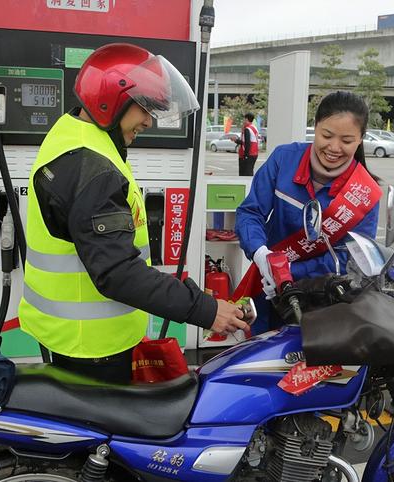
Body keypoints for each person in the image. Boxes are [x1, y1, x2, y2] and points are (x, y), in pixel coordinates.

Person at [18, 43, 246, 384]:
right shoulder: (93, 168)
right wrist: (205, 311)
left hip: (70, 334)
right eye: (145, 108)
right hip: (92, 346)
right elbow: (118, 272)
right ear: (111, 100)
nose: (149, 121)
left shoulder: (72, 136)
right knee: (103, 435)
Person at [234, 91, 381, 333]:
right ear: (315, 127)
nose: (334, 147)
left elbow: (352, 259)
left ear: (361, 139)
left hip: (321, 301)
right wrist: (261, 254)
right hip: (267, 287)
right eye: (326, 135)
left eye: (346, 140)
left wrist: (288, 271)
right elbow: (251, 212)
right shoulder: (284, 159)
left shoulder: (365, 193)